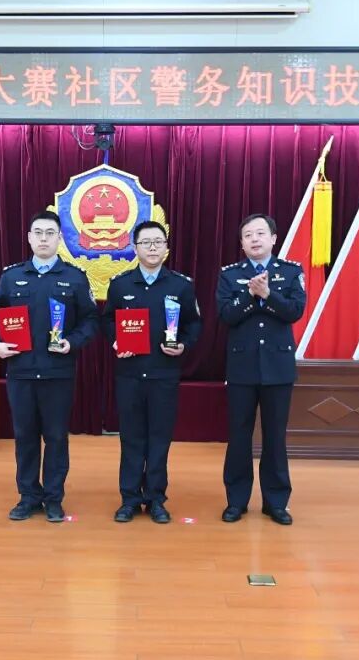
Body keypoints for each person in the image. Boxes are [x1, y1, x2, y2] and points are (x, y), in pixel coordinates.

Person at [0, 211, 98, 522]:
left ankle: (53, 498)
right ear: (29, 238)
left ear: (60, 238)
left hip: (57, 372)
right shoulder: (11, 277)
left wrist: (72, 342)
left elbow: (90, 320)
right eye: (38, 233)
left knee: (56, 438)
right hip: (20, 372)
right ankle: (28, 496)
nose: (44, 238)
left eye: (50, 233)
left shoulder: (74, 277)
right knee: (25, 437)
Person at [102, 221, 202, 524]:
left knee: (159, 438)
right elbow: (107, 320)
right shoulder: (121, 284)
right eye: (146, 242)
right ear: (135, 248)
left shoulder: (181, 285)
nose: (152, 247)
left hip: (164, 374)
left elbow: (194, 324)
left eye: (158, 241)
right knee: (131, 438)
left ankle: (156, 498)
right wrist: (116, 340)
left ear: (167, 247)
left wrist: (183, 345)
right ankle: (130, 498)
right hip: (130, 374)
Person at [215, 214, 306, 525]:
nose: (254, 239)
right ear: (241, 243)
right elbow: (226, 315)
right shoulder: (230, 275)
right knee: (239, 435)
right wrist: (249, 294)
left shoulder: (291, 271)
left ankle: (276, 502)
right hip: (241, 368)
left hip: (278, 368)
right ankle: (236, 501)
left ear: (273, 238)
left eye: (260, 233)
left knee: (275, 437)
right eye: (248, 235)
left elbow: (295, 311)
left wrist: (268, 294)